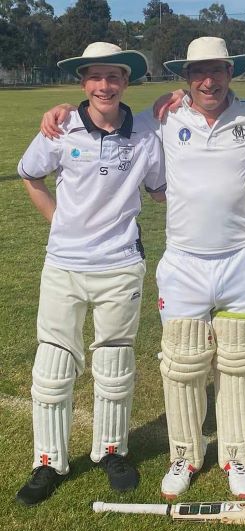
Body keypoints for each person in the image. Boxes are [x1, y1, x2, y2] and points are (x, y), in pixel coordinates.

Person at [40, 37, 245, 501]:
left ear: (231, 72)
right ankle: (184, 455)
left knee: (239, 362)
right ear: (185, 77)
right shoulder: (164, 117)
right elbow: (108, 117)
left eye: (217, 70)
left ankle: (236, 456)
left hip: (243, 261)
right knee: (183, 364)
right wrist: (64, 108)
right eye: (198, 72)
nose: (208, 81)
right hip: (184, 262)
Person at [16, 42, 166, 506]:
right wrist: (59, 221)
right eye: (95, 77)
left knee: (115, 366)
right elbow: (29, 175)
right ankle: (48, 461)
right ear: (83, 82)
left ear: (126, 82)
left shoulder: (144, 133)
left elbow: (161, 191)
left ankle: (112, 450)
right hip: (64, 265)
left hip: (121, 265)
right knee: (54, 367)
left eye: (114, 77)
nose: (105, 86)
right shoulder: (60, 129)